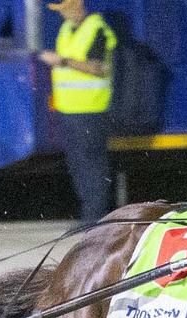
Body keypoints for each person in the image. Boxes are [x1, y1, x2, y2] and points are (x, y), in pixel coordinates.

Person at [39, 0, 117, 224]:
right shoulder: (67, 30)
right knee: (78, 167)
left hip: (90, 111)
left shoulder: (97, 29)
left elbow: (99, 67)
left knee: (93, 168)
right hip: (68, 111)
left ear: (78, 6)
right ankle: (88, 220)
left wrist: (62, 61)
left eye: (66, 9)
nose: (63, 14)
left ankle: (96, 222)